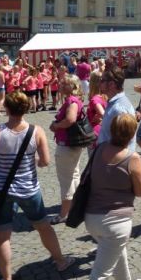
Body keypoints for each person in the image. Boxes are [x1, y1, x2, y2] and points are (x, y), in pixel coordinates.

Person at [0, 92, 74, 280]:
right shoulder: (36, 131)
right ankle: (60, 261)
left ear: (6, 108)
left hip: (0, 191)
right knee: (43, 226)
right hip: (28, 188)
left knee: (3, 235)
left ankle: (6, 277)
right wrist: (36, 161)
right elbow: (45, 161)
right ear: (26, 108)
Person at [85, 113, 141, 280]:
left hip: (91, 218)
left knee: (118, 254)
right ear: (132, 134)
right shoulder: (132, 158)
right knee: (100, 274)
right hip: (116, 223)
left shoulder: (99, 148)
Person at [49, 74, 85, 224]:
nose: (62, 86)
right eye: (62, 83)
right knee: (73, 176)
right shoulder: (74, 100)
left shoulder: (72, 101)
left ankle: (64, 213)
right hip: (72, 144)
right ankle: (76, 207)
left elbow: (70, 120)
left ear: (74, 86)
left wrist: (56, 126)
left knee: (66, 180)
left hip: (67, 145)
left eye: (65, 84)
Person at [97, 66, 136, 151]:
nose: (99, 83)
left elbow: (123, 144)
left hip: (114, 161)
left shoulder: (119, 109)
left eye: (102, 80)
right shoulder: (113, 103)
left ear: (112, 84)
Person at [87, 71, 107, 155]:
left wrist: (101, 119)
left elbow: (103, 114)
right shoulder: (104, 96)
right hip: (102, 131)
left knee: (94, 162)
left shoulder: (95, 99)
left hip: (95, 132)